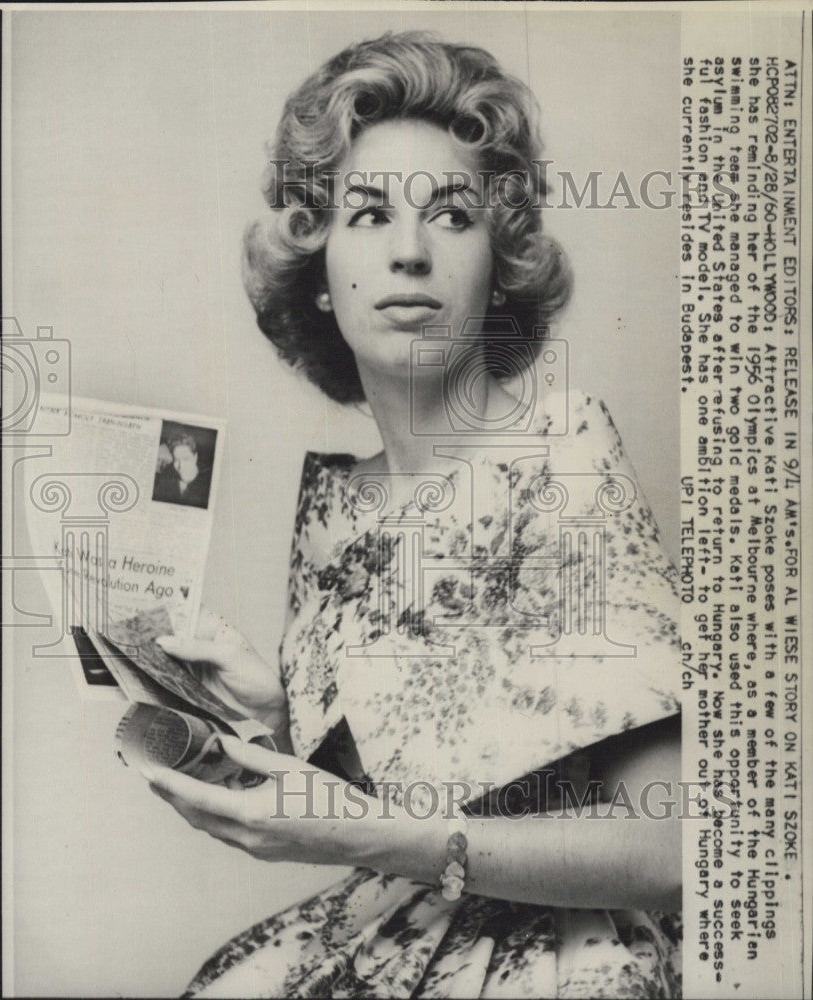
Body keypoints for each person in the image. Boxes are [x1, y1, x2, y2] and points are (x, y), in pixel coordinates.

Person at [147, 32, 682, 998]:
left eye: (452, 214)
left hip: (562, 958)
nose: (408, 250)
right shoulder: (334, 508)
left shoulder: (561, 460)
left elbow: (680, 848)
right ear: (316, 267)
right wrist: (273, 714)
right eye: (367, 214)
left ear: (499, 263)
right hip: (393, 929)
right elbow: (383, 790)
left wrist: (382, 837)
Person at [154, 434, 212, 508]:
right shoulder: (166, 483)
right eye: (177, 460)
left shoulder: (208, 485)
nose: (181, 466)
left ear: (195, 457)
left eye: (185, 459)